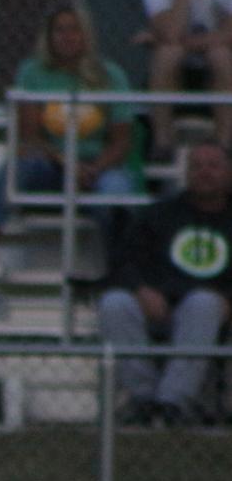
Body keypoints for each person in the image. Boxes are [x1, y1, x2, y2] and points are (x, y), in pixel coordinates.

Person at [0, 5, 137, 261]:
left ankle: (122, 268)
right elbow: (29, 136)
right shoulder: (32, 73)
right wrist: (68, 163)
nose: (67, 36)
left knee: (115, 192)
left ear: (86, 34)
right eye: (60, 30)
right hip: (53, 164)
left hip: (99, 166)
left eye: (74, 29)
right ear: (48, 36)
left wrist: (94, 168)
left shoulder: (111, 74)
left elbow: (122, 140)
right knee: (16, 168)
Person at [98, 141, 232, 426]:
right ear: (185, 173)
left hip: (213, 310)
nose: (204, 172)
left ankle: (173, 402)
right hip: (157, 306)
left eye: (214, 166)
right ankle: (144, 399)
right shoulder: (158, 214)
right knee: (114, 303)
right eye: (196, 166)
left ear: (229, 172)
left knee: (203, 303)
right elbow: (122, 261)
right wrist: (140, 290)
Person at [141, 0, 232, 158]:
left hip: (222, 67)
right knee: (168, 54)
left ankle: (224, 143)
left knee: (219, 54)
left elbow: (228, 36)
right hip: (177, 72)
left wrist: (163, 40)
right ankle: (163, 142)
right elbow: (171, 33)